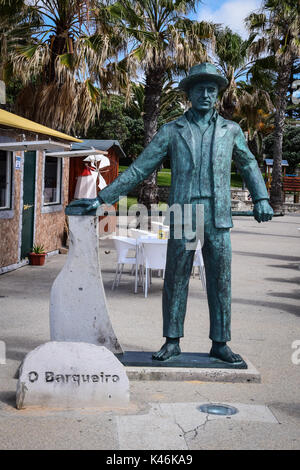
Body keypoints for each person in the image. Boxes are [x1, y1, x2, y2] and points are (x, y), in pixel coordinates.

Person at [68, 63, 273, 364]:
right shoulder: (172, 130)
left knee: (221, 280)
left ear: (217, 95)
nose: (206, 94)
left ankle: (220, 342)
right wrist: (101, 199)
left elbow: (249, 164)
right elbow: (138, 169)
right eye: (199, 89)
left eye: (211, 90)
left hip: (217, 214)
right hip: (184, 213)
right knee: (176, 278)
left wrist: (262, 198)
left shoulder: (231, 130)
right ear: (189, 93)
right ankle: (172, 341)